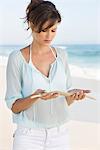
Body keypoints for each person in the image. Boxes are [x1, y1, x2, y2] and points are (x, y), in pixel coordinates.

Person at [5, 0, 87, 150]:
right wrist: (35, 97)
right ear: (31, 24)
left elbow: (65, 101)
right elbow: (14, 106)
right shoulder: (17, 58)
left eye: (53, 30)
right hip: (28, 136)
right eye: (44, 30)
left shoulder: (62, 55)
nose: (49, 36)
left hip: (60, 135)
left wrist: (73, 96)